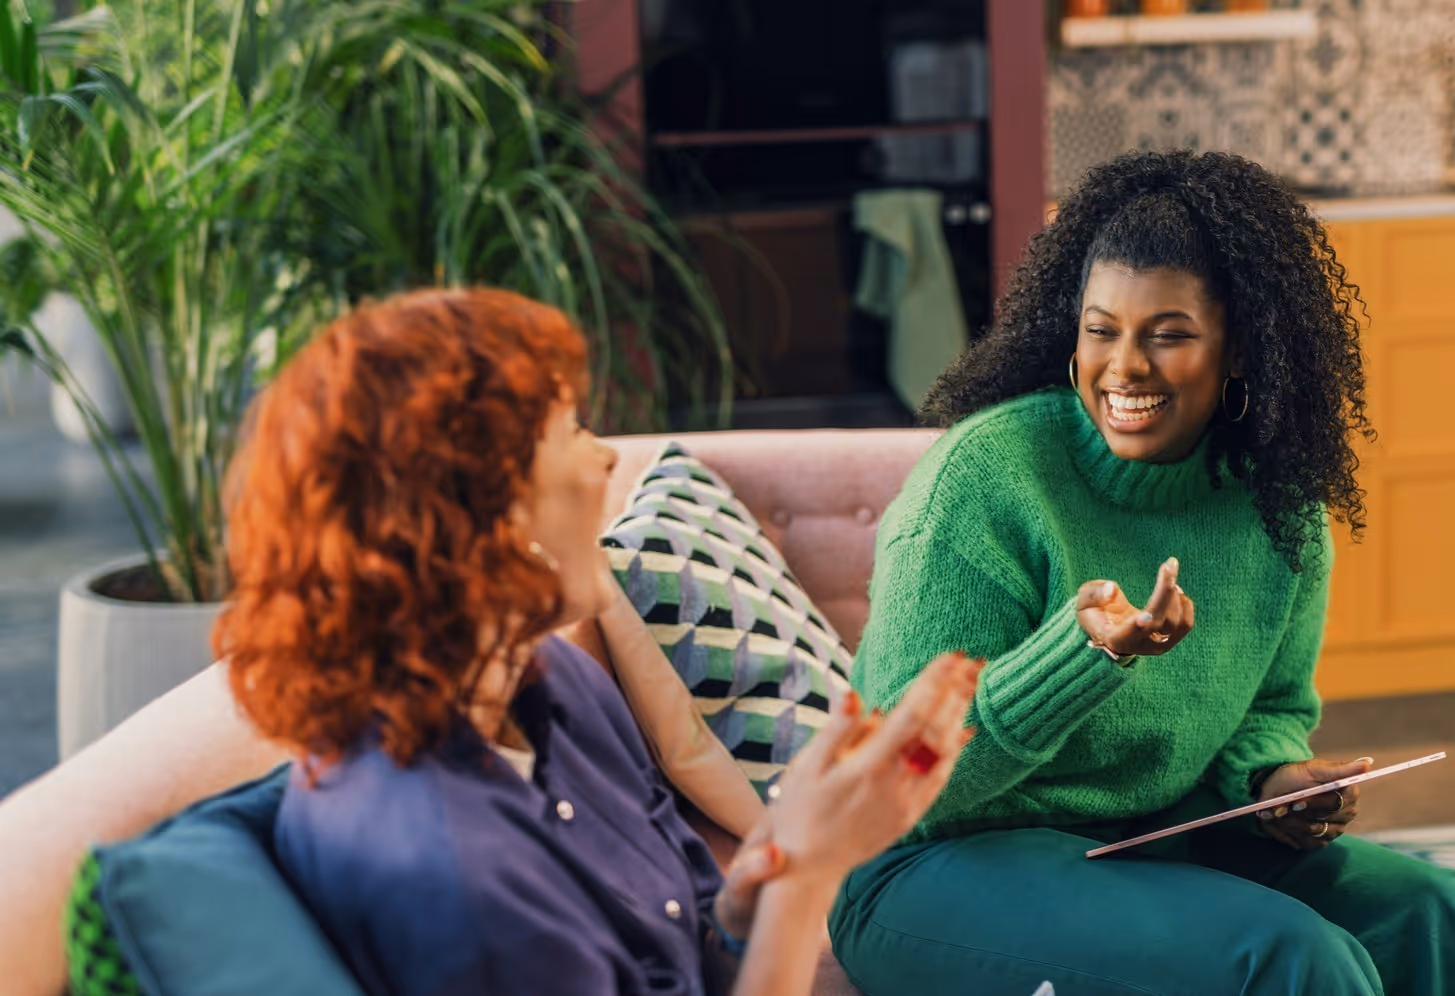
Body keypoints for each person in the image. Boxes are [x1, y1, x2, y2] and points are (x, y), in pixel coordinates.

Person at [213, 286, 980, 996]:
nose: (606, 456)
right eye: (570, 429)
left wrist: (753, 900)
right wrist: (811, 875)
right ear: (477, 516)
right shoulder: (454, 878)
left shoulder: (555, 684)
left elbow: (689, 947)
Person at [830, 150, 1455, 996]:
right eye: (1100, 330)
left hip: (1144, 838)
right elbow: (908, 780)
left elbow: (1266, 712)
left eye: (1167, 335)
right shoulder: (982, 481)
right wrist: (1084, 656)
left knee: (1428, 907)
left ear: (1239, 350)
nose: (1124, 367)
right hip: (924, 865)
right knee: (1289, 959)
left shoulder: (1277, 507)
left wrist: (1276, 782)